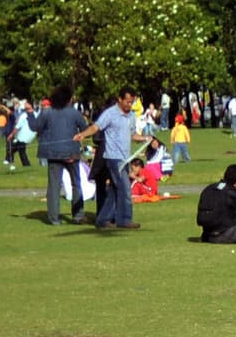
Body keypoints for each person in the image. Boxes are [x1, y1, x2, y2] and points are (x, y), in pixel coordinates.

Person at [74, 88, 149, 230]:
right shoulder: (110, 114)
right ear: (120, 99)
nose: (129, 105)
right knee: (125, 189)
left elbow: (133, 135)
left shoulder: (131, 116)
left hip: (125, 158)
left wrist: (145, 138)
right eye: (127, 102)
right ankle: (125, 220)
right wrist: (83, 134)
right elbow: (96, 127)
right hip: (113, 158)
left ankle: (102, 219)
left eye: (132, 102)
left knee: (115, 190)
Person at [27, 85, 88, 225]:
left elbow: (35, 127)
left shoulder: (47, 112)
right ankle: (78, 215)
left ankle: (54, 218)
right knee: (76, 184)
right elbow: (85, 129)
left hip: (52, 153)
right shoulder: (74, 113)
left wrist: (30, 113)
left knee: (54, 186)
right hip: (72, 152)